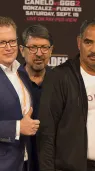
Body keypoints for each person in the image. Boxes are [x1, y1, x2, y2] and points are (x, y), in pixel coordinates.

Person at [37, 19, 95, 171]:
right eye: (88, 42)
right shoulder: (59, 76)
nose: (94, 49)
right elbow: (46, 133)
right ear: (79, 43)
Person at [0, 16, 40, 171]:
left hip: (23, 162)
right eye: (2, 42)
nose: (9, 47)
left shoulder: (21, 71)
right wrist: (17, 127)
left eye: (12, 41)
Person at [19, 24, 53, 171]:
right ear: (22, 50)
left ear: (51, 50)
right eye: (33, 48)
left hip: (50, 161)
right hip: (18, 161)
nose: (39, 53)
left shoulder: (59, 81)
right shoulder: (12, 80)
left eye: (44, 47)